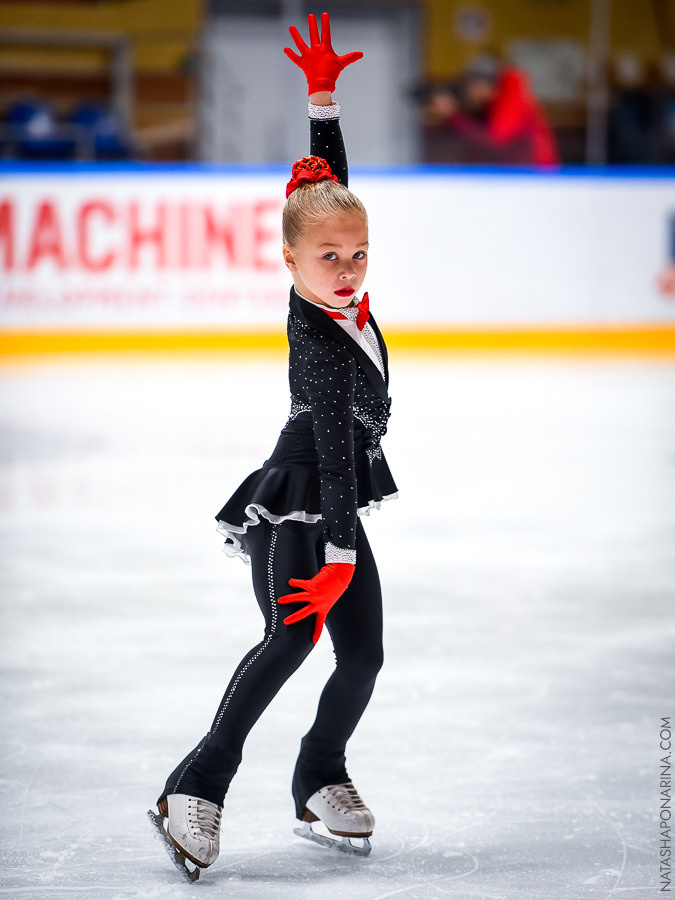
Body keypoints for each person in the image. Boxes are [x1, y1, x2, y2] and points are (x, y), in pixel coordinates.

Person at [148, 12, 398, 880]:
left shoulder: (343, 289)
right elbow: (332, 449)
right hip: (302, 494)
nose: (347, 265)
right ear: (287, 262)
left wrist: (322, 101)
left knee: (361, 654)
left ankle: (318, 773)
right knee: (289, 640)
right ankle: (193, 786)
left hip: (333, 498)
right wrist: (334, 549)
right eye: (328, 256)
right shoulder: (317, 334)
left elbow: (323, 197)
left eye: (359, 253)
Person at [425, 53, 560, 165]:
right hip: (519, 175)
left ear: (485, 85)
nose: (471, 93)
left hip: (536, 177)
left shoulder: (512, 99)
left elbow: (494, 143)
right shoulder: (498, 100)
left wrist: (453, 114)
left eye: (472, 86)